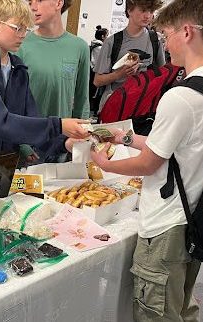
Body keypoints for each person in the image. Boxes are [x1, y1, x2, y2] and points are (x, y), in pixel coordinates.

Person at [91, 0, 203, 320]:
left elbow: (148, 164)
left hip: (165, 227)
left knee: (157, 312)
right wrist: (123, 137)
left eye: (166, 34)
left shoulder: (180, 96)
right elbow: (175, 148)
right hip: (192, 219)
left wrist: (105, 164)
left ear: (186, 32)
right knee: (182, 307)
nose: (165, 43)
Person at [0, 0, 89, 182]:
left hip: (6, 168)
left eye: (26, 29)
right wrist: (59, 125)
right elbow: (1, 123)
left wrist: (64, 143)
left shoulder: (18, 70)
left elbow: (33, 119)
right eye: (18, 28)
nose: (23, 35)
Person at [16, 0, 90, 120]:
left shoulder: (79, 47)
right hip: (28, 133)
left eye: (39, 0)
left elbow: (82, 99)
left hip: (63, 135)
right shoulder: (20, 45)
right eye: (30, 2)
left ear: (59, 3)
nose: (33, 7)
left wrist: (84, 131)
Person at [93, 0, 166, 112]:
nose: (148, 15)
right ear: (129, 10)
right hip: (116, 106)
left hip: (143, 108)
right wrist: (119, 74)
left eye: (151, 11)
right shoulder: (112, 42)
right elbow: (97, 81)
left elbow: (162, 75)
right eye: (143, 10)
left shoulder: (155, 40)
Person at [89, 25, 109, 115]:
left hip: (92, 71)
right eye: (107, 35)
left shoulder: (93, 45)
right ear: (102, 37)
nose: (108, 37)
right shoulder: (99, 48)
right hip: (95, 72)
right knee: (95, 93)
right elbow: (100, 63)